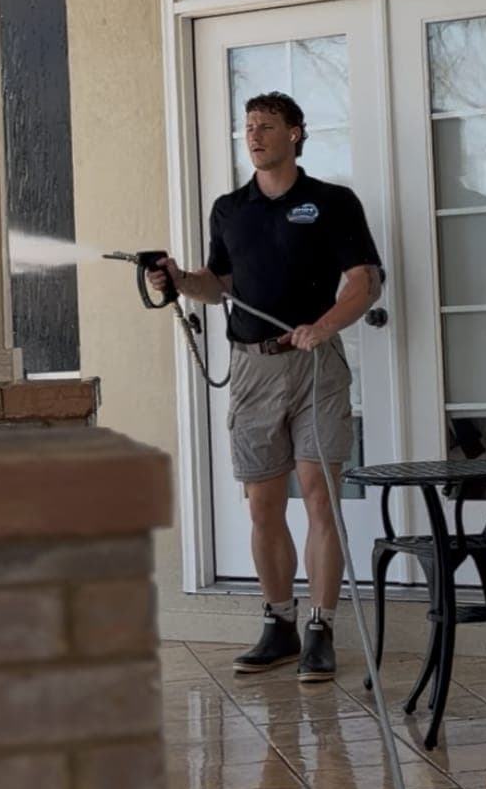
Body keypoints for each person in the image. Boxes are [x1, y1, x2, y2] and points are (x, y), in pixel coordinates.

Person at [164, 90, 383, 683]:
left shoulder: (331, 202)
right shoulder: (229, 210)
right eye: (248, 127)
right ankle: (279, 623)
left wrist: (324, 326)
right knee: (263, 505)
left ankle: (320, 628)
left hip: (315, 366)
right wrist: (181, 280)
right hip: (252, 369)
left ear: (296, 134)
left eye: (266, 126)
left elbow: (365, 281)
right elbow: (220, 286)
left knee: (319, 499)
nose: (254, 135)